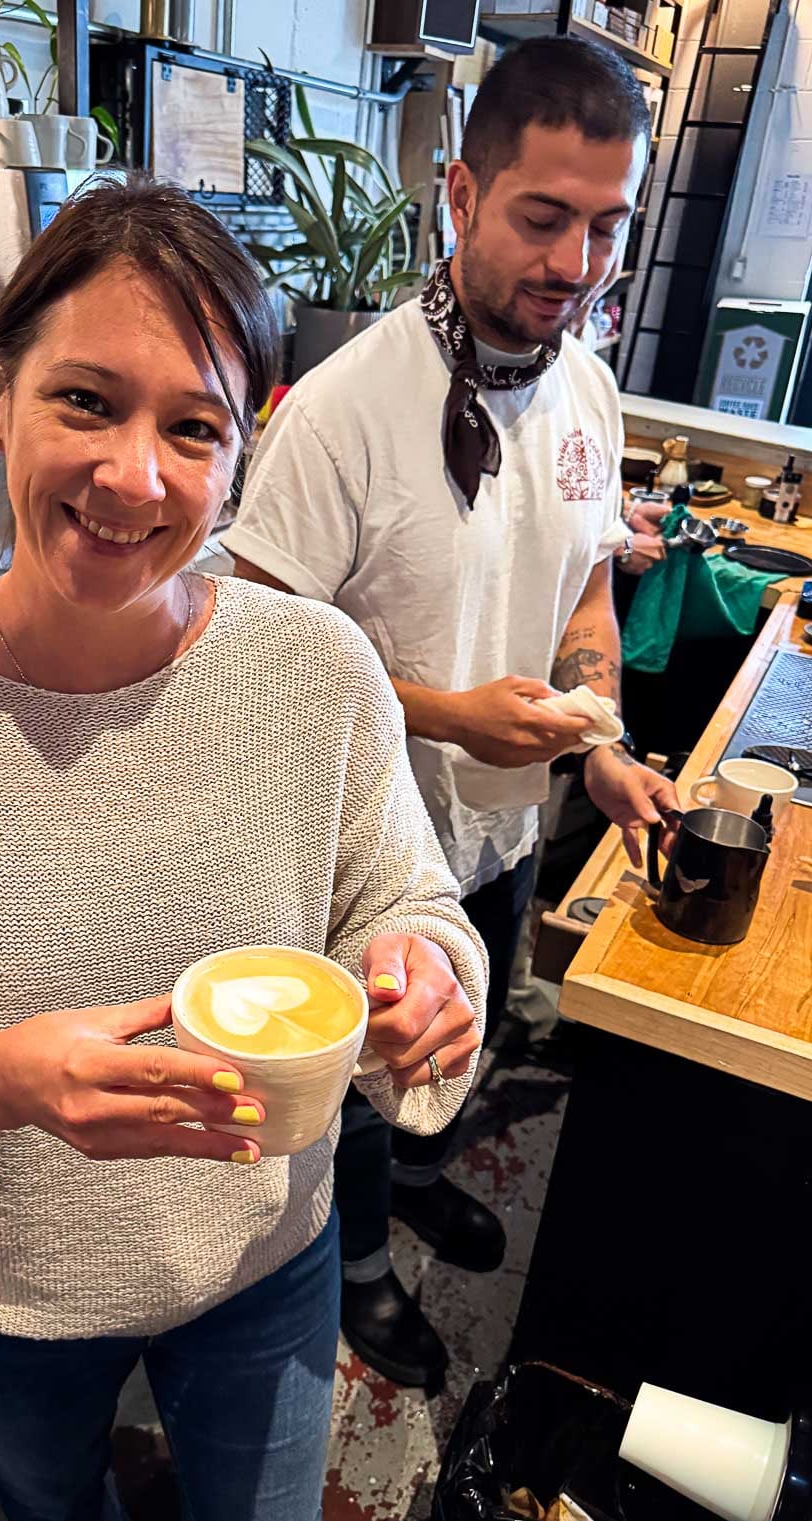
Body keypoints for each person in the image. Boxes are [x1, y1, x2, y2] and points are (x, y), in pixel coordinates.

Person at [0, 176, 488, 1521]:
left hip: (265, 1251)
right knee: (52, 1501)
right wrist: (1, 1081)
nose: (136, 474)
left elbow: (412, 902)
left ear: (242, 450)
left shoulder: (318, 669)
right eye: (86, 400)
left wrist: (423, 976)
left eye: (193, 426)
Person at [226, 36, 680, 1389]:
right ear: (458, 191)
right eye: (543, 217)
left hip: (499, 833)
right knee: (364, 1088)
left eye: (608, 227)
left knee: (456, 1051)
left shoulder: (588, 389)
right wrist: (447, 714)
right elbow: (255, 651)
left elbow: (586, 591)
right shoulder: (341, 412)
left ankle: (420, 1181)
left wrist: (598, 738)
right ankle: (358, 1270)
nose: (576, 264)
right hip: (363, 856)